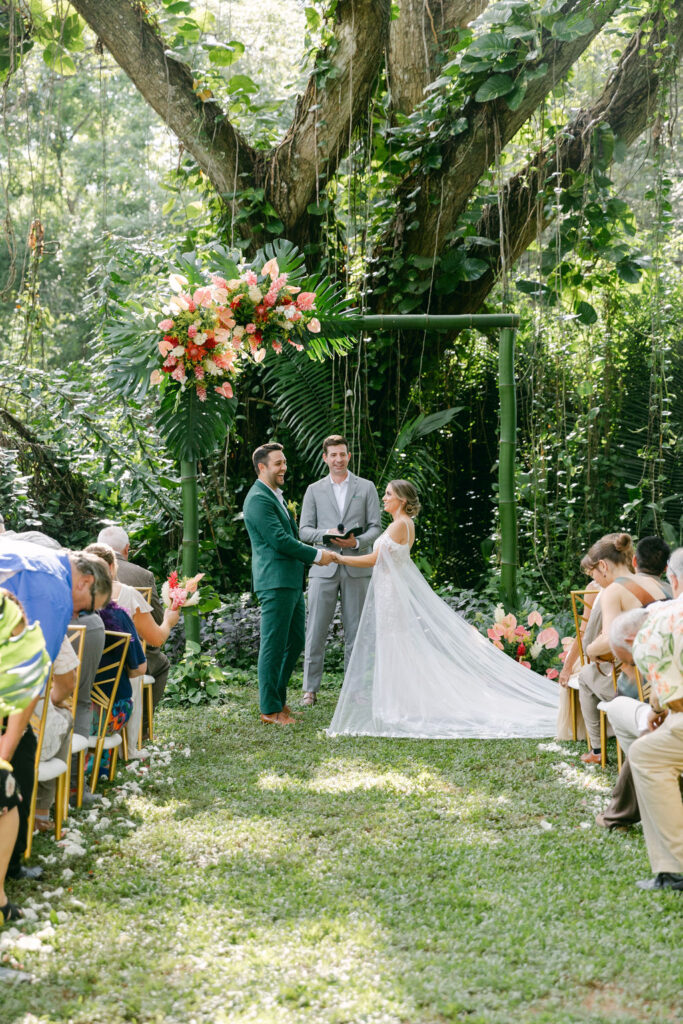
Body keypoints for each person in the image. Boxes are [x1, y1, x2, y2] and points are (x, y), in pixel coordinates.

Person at [327, 480, 558, 738]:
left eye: (389, 494)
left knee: (395, 644)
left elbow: (374, 559)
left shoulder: (399, 524)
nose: (384, 497)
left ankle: (398, 706)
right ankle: (398, 703)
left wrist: (339, 557)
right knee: (395, 645)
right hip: (388, 593)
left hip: (391, 595)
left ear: (402, 499)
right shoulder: (403, 524)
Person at [0, 541, 111, 880]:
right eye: (90, 609)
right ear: (86, 582)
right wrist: (6, 748)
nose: (80, 616)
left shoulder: (39, 558)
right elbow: (32, 675)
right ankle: (10, 867)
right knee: (19, 757)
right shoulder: (54, 590)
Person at [242, 443, 335, 725]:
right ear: (262, 467)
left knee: (294, 641)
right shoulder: (258, 499)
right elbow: (279, 541)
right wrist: (318, 555)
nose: (284, 468)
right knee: (273, 644)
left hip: (290, 580)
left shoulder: (274, 495)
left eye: (284, 462)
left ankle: (279, 700)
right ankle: (270, 709)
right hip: (275, 582)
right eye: (277, 464)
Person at [299, 435, 382, 706]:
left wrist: (356, 541)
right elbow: (304, 531)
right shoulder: (313, 490)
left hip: (357, 567)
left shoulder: (366, 487)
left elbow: (375, 527)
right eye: (333, 455)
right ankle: (310, 690)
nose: (338, 459)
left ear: (349, 456)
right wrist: (327, 534)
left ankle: (355, 690)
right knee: (315, 630)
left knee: (356, 631)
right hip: (324, 567)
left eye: (342, 454)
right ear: (325, 458)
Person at [577, 533, 669, 764]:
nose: (596, 581)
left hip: (645, 687)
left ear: (603, 566)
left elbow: (610, 640)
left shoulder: (614, 591)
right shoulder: (663, 585)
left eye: (595, 575)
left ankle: (598, 751)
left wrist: (590, 650)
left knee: (587, 675)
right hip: (671, 680)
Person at [85, 542, 179, 756]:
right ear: (111, 567)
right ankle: (135, 739)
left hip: (83, 681)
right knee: (137, 668)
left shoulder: (74, 599)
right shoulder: (125, 596)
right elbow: (156, 639)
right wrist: (168, 621)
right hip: (119, 683)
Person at [629, 589, 683, 891]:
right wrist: (658, 706)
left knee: (647, 754)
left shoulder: (650, 633)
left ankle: (675, 870)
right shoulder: (669, 611)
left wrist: (664, 709)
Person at [97, 526, 170, 718]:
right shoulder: (142, 576)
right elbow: (157, 622)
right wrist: (170, 620)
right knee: (159, 661)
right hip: (128, 657)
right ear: (127, 549)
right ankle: (143, 725)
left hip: (87, 657)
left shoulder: (78, 580)